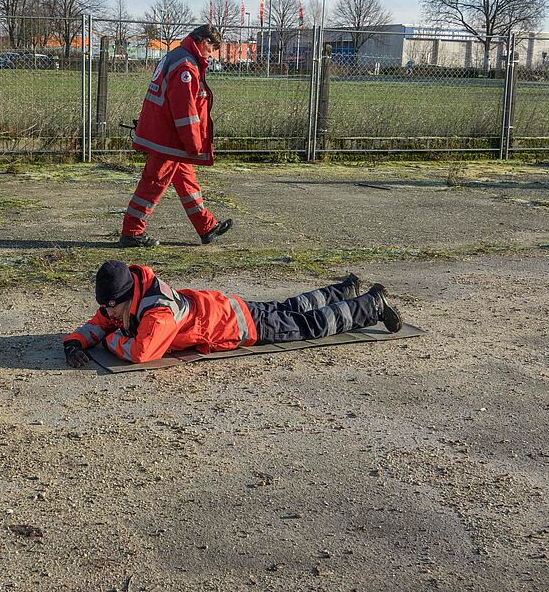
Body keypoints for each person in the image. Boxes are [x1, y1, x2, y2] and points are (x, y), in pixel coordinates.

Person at [63, 260, 402, 367]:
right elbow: (101, 322)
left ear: (122, 298)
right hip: (224, 308)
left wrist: (110, 341)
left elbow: (140, 353)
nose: (106, 312)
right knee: (290, 307)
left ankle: (370, 305)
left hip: (239, 325)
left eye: (110, 306)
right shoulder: (131, 294)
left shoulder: (157, 314)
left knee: (308, 324)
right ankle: (345, 289)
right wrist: (75, 343)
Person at [119, 24, 234, 248]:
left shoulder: (177, 56)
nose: (210, 56)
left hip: (165, 133)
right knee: (153, 182)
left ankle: (206, 226)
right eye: (211, 51)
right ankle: (131, 231)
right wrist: (193, 143)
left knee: (185, 179)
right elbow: (185, 110)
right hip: (169, 138)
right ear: (203, 43)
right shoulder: (186, 66)